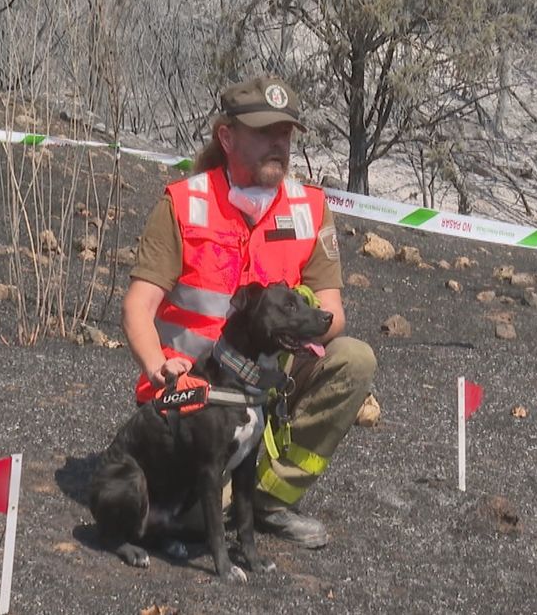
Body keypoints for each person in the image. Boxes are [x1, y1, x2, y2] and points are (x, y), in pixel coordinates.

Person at [122, 74, 377, 549]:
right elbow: (138, 307)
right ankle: (211, 497)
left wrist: (283, 335)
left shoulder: (310, 209)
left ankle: (268, 500)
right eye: (264, 133)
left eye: (284, 133)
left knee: (354, 359)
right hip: (194, 397)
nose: (277, 144)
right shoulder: (184, 204)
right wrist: (159, 367)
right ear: (227, 137)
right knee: (193, 523)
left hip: (262, 380)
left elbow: (333, 314)